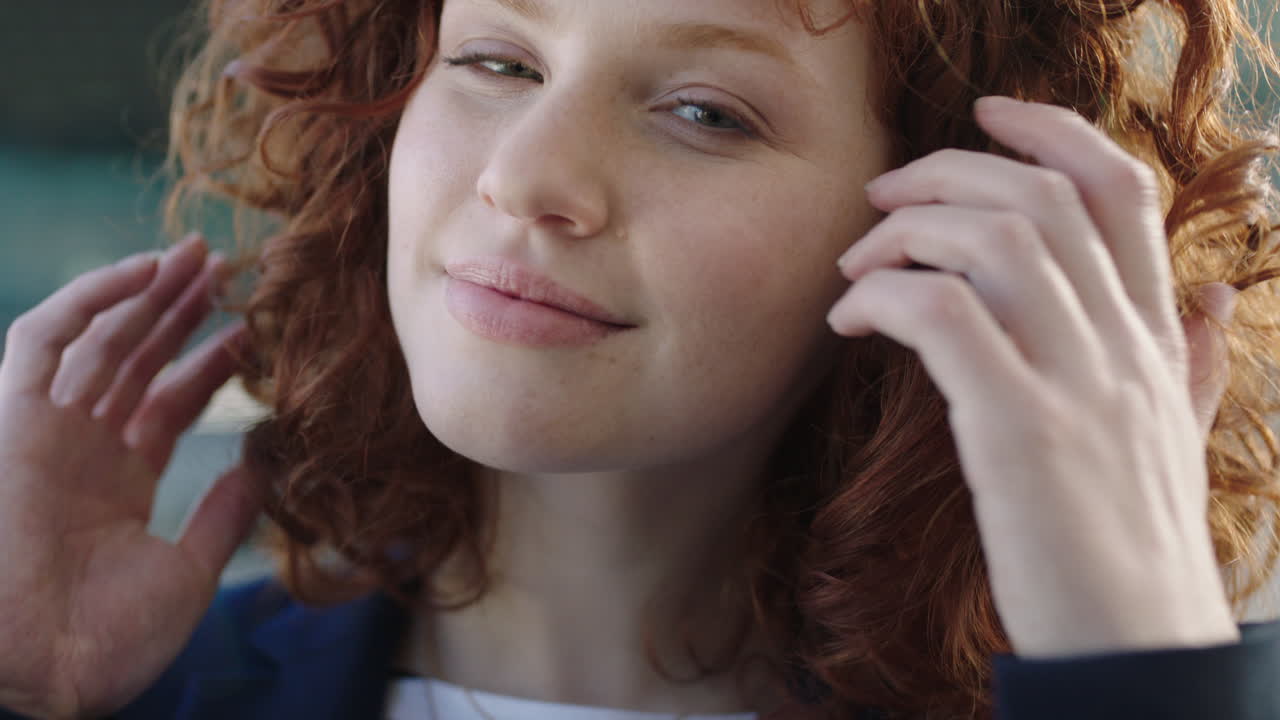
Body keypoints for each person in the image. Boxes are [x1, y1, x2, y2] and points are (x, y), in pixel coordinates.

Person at [3, 0, 1280, 717]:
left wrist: (1131, 642)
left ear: (945, 213)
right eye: (495, 60)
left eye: (704, 113)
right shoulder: (124, 690)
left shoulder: (1106, 683)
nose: (525, 177)